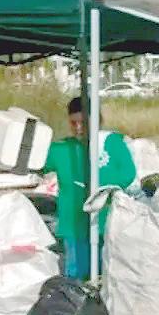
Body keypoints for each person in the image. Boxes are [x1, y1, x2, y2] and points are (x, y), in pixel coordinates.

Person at [44, 96, 136, 280]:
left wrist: (103, 191)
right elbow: (37, 164)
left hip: (107, 222)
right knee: (77, 278)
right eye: (74, 123)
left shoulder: (111, 143)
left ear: (97, 120)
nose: (78, 128)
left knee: (109, 276)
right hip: (74, 225)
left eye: (83, 123)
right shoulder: (62, 149)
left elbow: (128, 173)